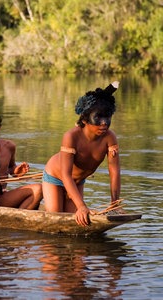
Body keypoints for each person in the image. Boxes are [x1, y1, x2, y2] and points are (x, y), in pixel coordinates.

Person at [42, 81, 121, 226]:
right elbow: (66, 175)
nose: (104, 123)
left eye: (107, 117)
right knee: (55, 219)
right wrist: (82, 206)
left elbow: (114, 172)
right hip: (56, 177)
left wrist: (114, 204)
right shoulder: (71, 136)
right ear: (85, 119)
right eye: (98, 117)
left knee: (77, 222)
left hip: (77, 181)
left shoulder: (110, 137)